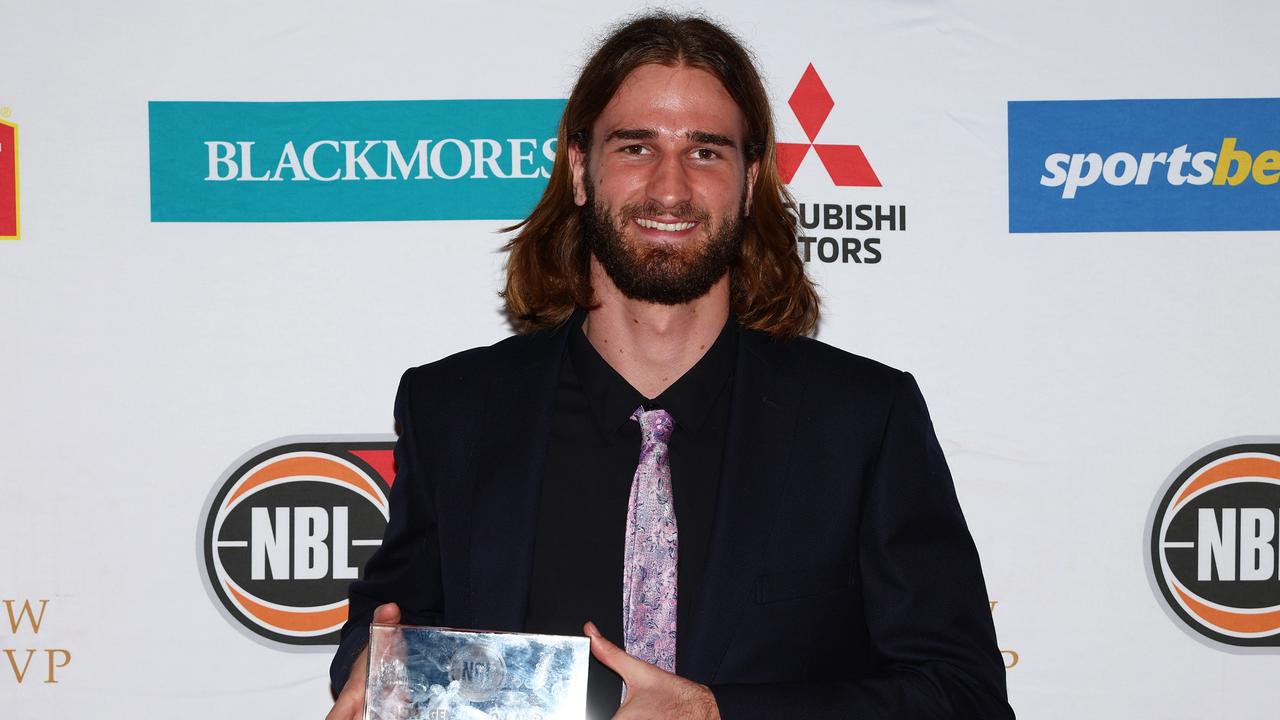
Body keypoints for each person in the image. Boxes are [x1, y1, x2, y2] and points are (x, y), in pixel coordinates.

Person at [328, 12, 1013, 720]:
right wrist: (374, 674)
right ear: (580, 171)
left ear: (750, 183)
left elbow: (962, 697)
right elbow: (386, 637)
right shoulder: (455, 410)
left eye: (706, 152)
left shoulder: (863, 420)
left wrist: (719, 713)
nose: (669, 189)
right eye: (636, 147)